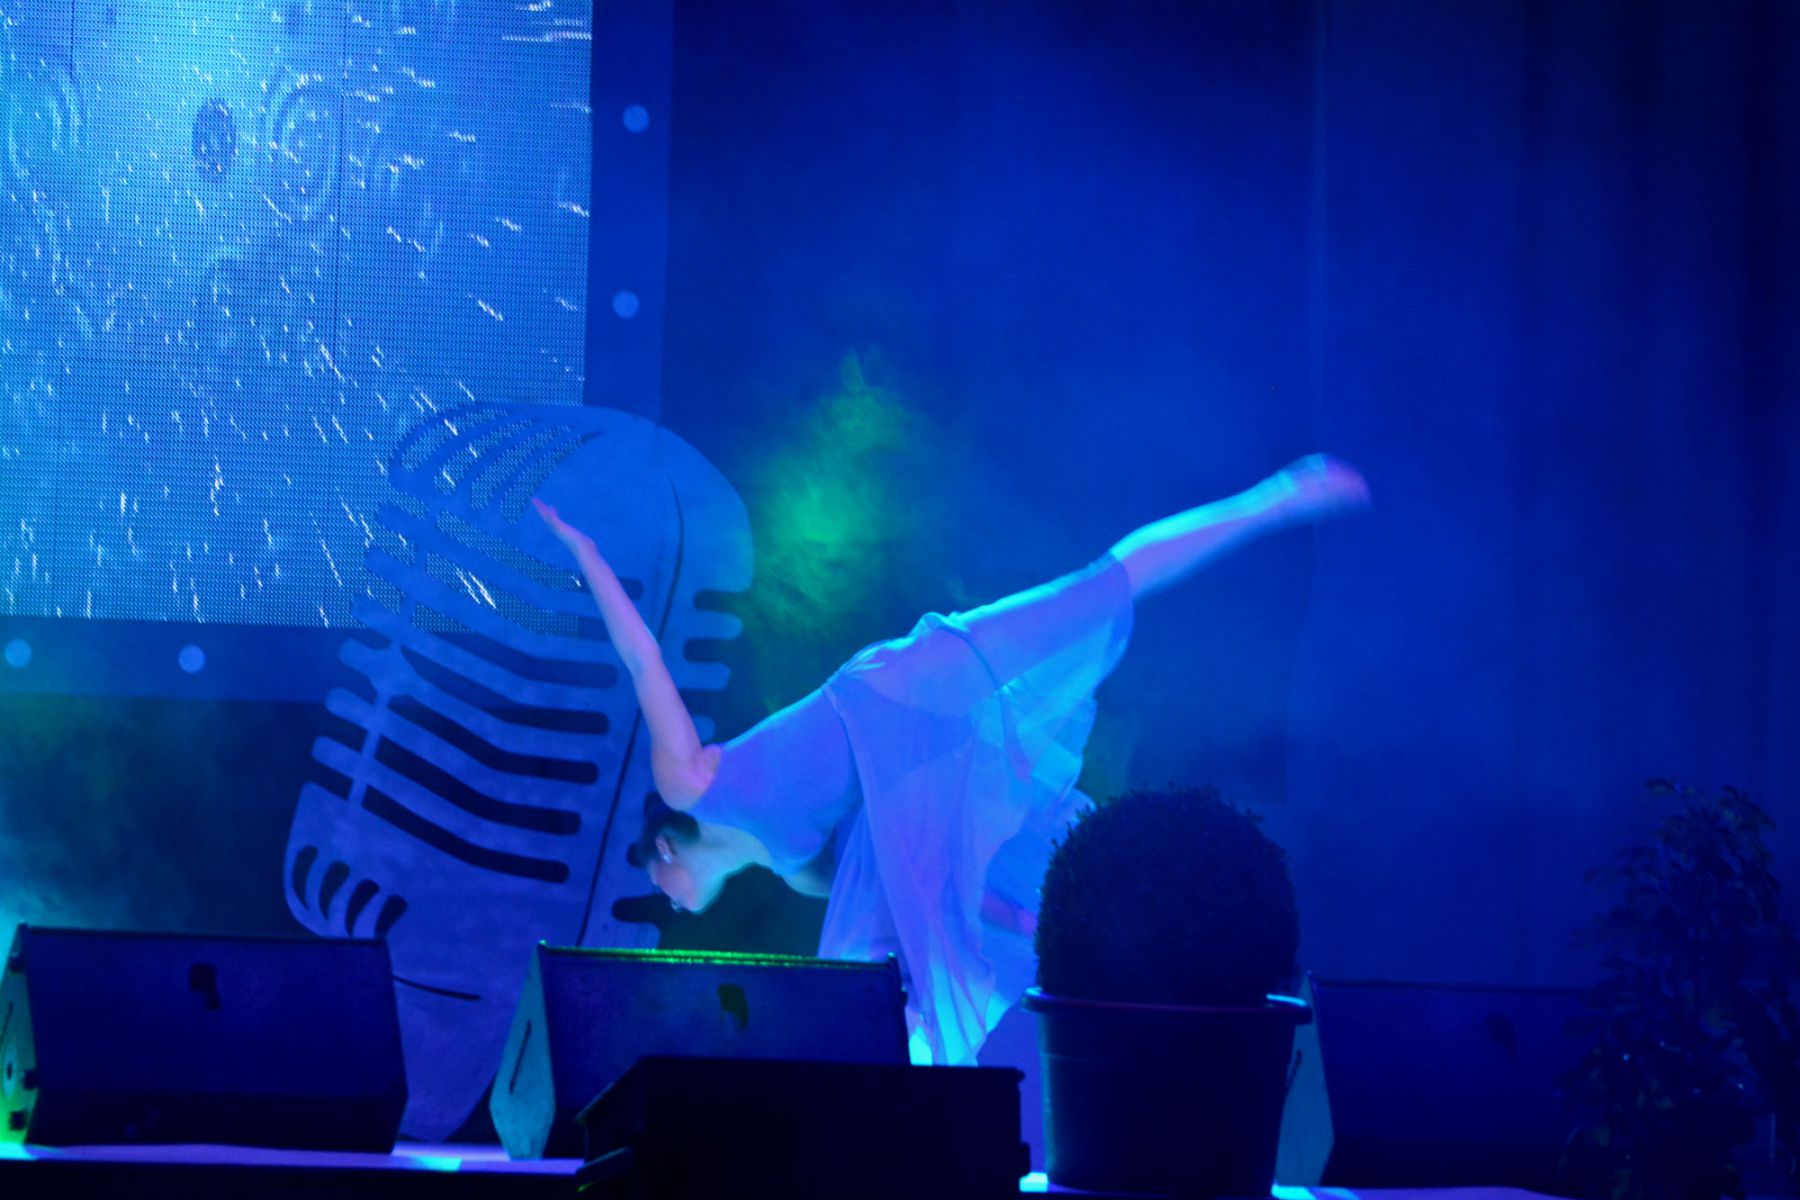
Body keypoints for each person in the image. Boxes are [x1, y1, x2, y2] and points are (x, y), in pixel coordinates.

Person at [533, 454, 1370, 1065]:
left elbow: (643, 660)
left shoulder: (692, 784)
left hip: (902, 685)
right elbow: (935, 885)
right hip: (924, 761)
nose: (665, 900)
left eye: (655, 880)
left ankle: (1275, 499)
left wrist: (585, 553)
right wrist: (1034, 925)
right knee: (888, 984)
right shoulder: (806, 871)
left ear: (665, 845)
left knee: (1095, 592)